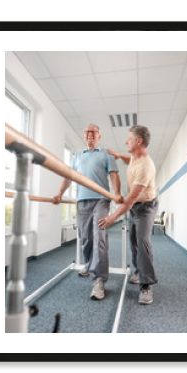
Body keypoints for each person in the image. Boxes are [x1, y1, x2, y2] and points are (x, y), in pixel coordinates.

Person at [53, 123, 122, 300]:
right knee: (85, 238)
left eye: (94, 132)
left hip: (101, 200)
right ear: (84, 136)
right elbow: (68, 177)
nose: (90, 134)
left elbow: (114, 174)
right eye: (87, 132)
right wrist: (60, 193)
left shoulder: (106, 154)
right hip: (82, 201)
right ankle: (90, 264)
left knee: (99, 237)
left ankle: (99, 280)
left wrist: (117, 194)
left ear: (99, 136)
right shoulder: (77, 156)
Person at [98, 125, 158, 305]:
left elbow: (130, 199)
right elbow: (128, 159)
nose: (126, 141)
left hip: (146, 207)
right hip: (135, 206)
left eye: (129, 138)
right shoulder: (135, 156)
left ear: (139, 141)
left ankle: (146, 285)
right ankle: (138, 272)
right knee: (133, 240)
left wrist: (111, 218)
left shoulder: (146, 166)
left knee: (142, 241)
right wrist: (117, 155)